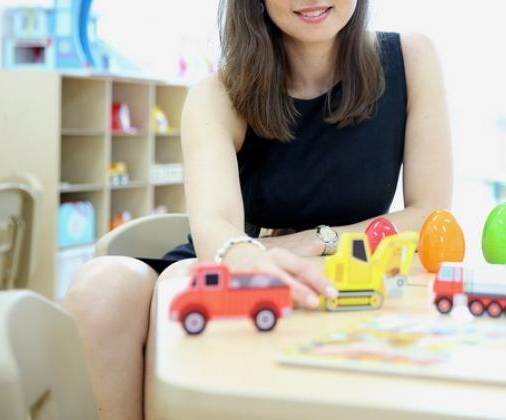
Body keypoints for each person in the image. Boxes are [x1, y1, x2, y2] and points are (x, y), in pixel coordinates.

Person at [63, 0, 452, 418]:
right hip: (234, 260)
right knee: (103, 287)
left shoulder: (411, 59)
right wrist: (251, 255)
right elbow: (215, 227)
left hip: (347, 268)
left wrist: (316, 242)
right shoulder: (218, 94)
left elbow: (428, 215)